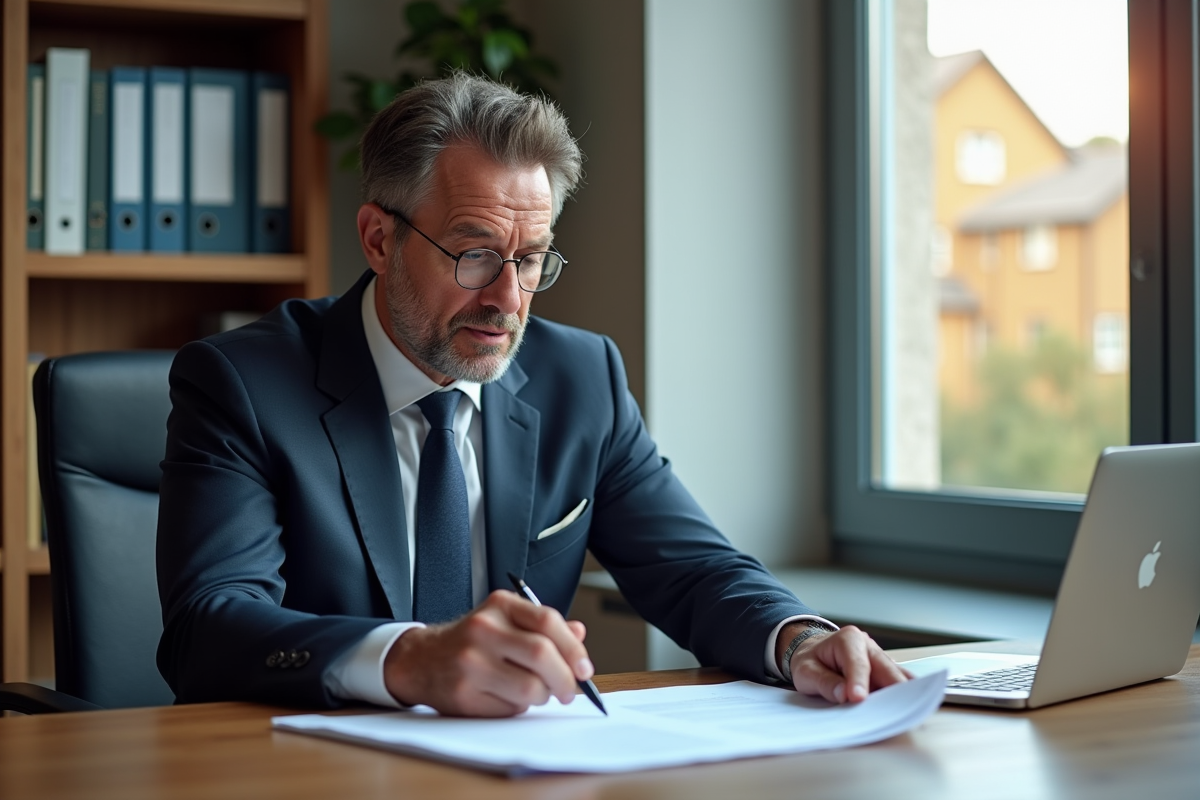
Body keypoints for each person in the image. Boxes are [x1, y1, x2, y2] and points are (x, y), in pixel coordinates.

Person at [156, 72, 908, 715]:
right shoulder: (244, 385)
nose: (509, 300)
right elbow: (208, 627)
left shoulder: (582, 379)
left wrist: (799, 639)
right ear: (380, 239)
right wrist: (409, 659)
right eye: (476, 255)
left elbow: (692, 568)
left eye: (533, 260)